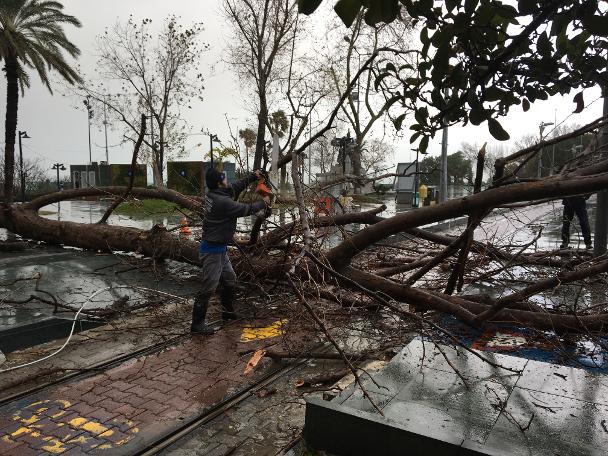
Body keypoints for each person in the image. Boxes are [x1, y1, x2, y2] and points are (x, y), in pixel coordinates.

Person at [191, 168, 270, 334]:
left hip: (220, 249)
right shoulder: (222, 202)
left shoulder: (214, 193)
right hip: (212, 251)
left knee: (230, 279)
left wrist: (253, 176)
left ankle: (227, 313)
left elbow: (236, 186)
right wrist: (263, 202)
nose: (227, 180)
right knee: (209, 287)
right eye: (224, 178)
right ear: (220, 182)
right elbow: (244, 209)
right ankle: (197, 325)